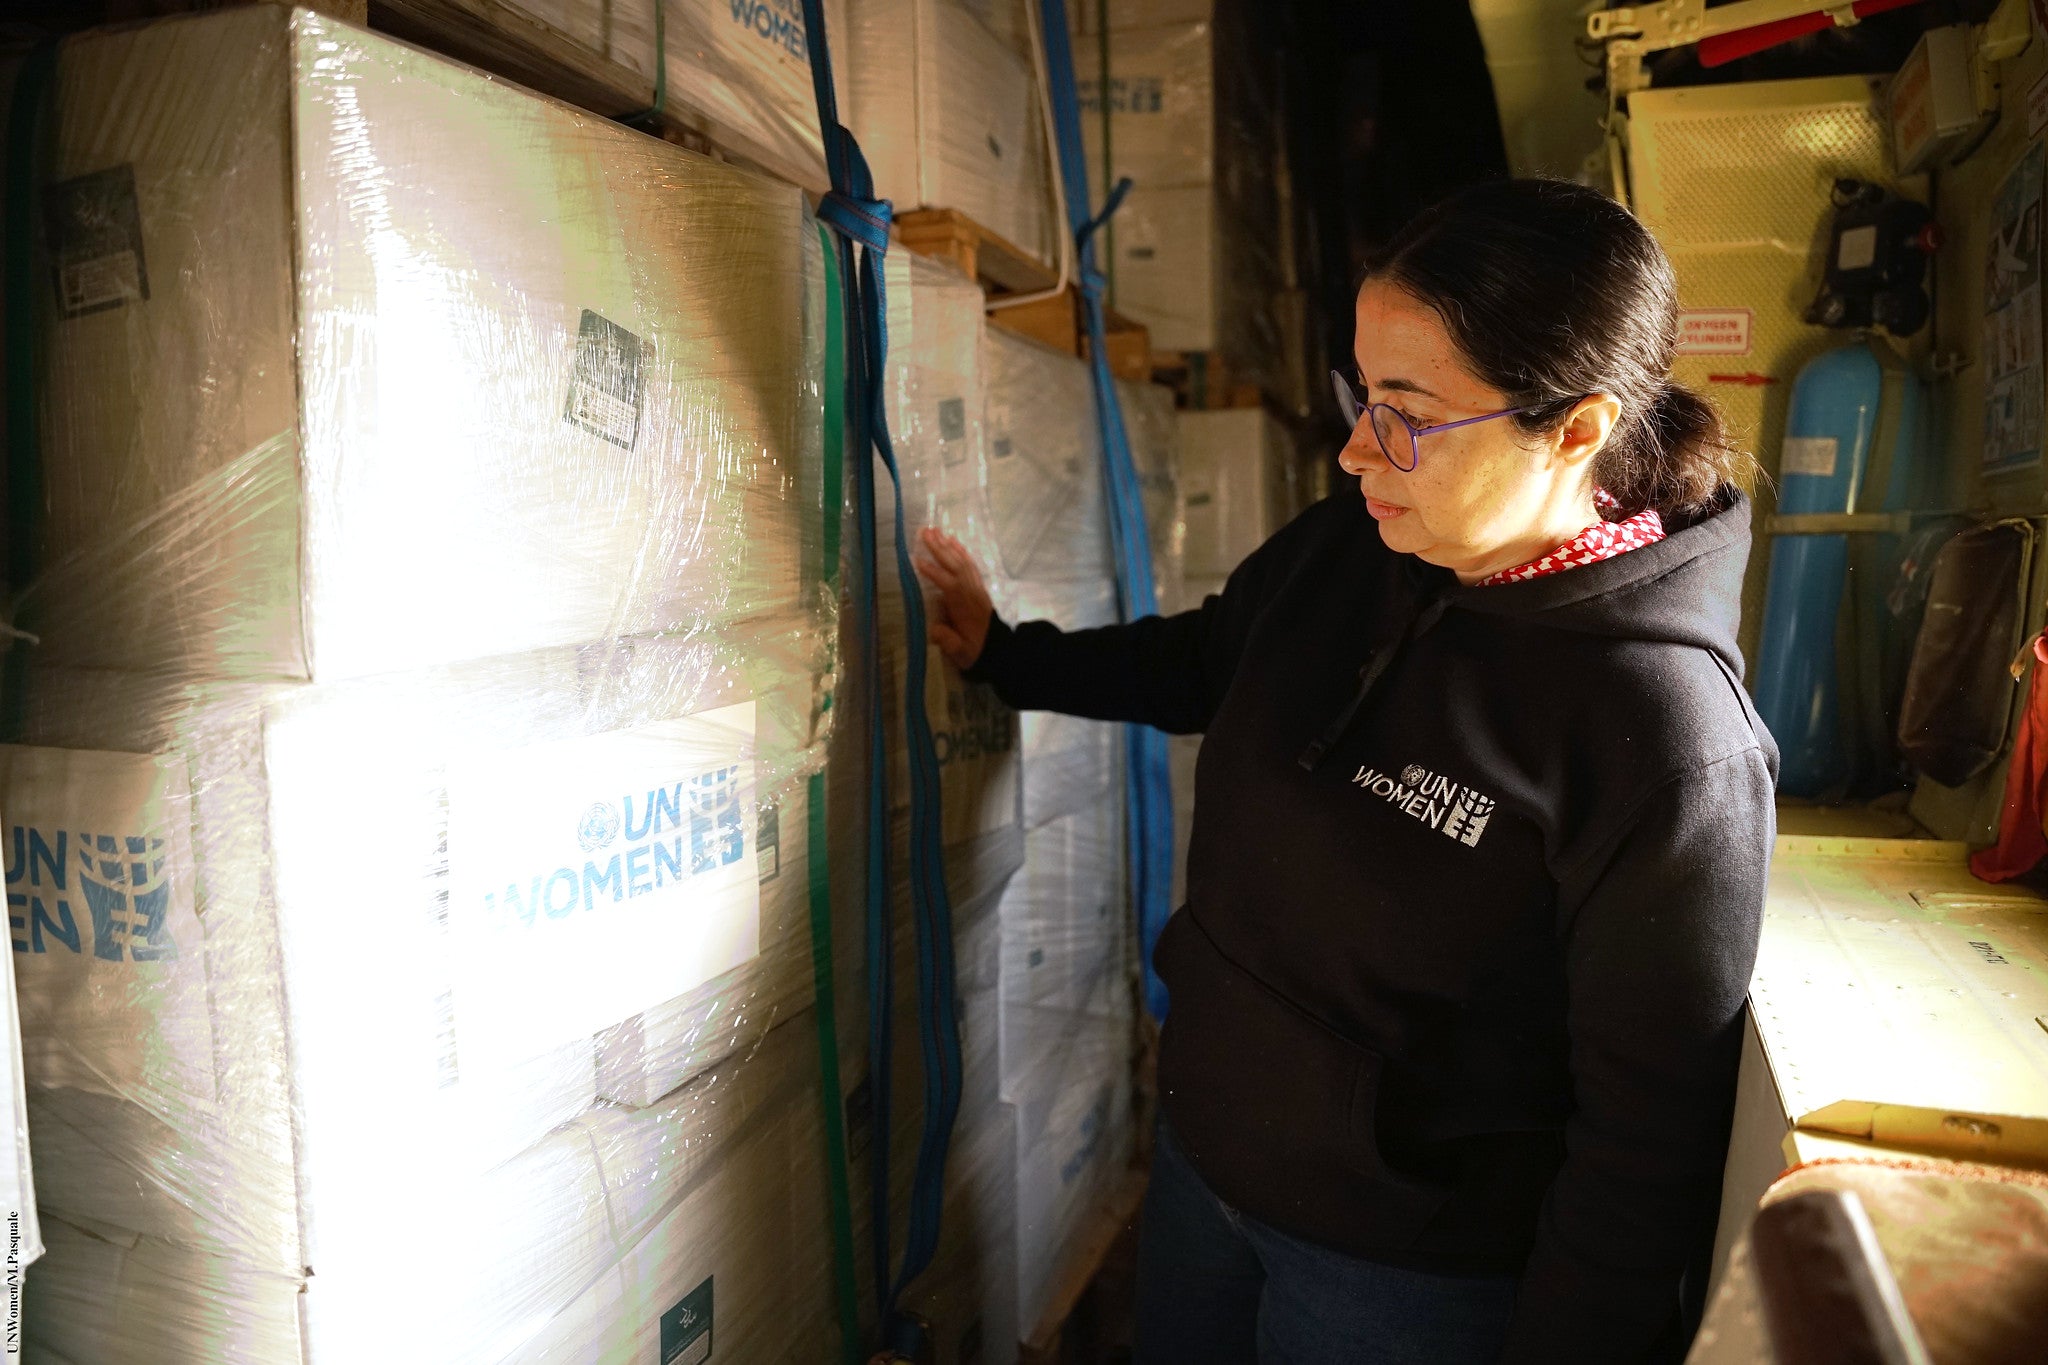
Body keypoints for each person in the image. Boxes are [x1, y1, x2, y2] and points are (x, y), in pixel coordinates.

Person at [914, 178, 1778, 1364]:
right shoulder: (1355, 544)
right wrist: (1006, 656)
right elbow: (1206, 660)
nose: (1355, 448)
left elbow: (1644, 1137)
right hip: (1203, 1165)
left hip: (1399, 1279)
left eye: (1407, 415)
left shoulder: (1668, 742)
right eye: (1360, 395)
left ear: (1576, 430)